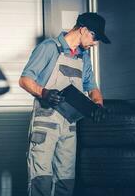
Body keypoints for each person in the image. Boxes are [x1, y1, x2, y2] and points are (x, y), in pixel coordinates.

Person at [19, 12, 111, 196]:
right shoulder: (49, 48)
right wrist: (44, 92)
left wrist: (98, 105)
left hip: (69, 127)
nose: (95, 43)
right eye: (95, 36)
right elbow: (24, 80)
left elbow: (92, 88)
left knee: (66, 181)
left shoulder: (83, 58)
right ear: (83, 30)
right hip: (45, 126)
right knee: (41, 181)